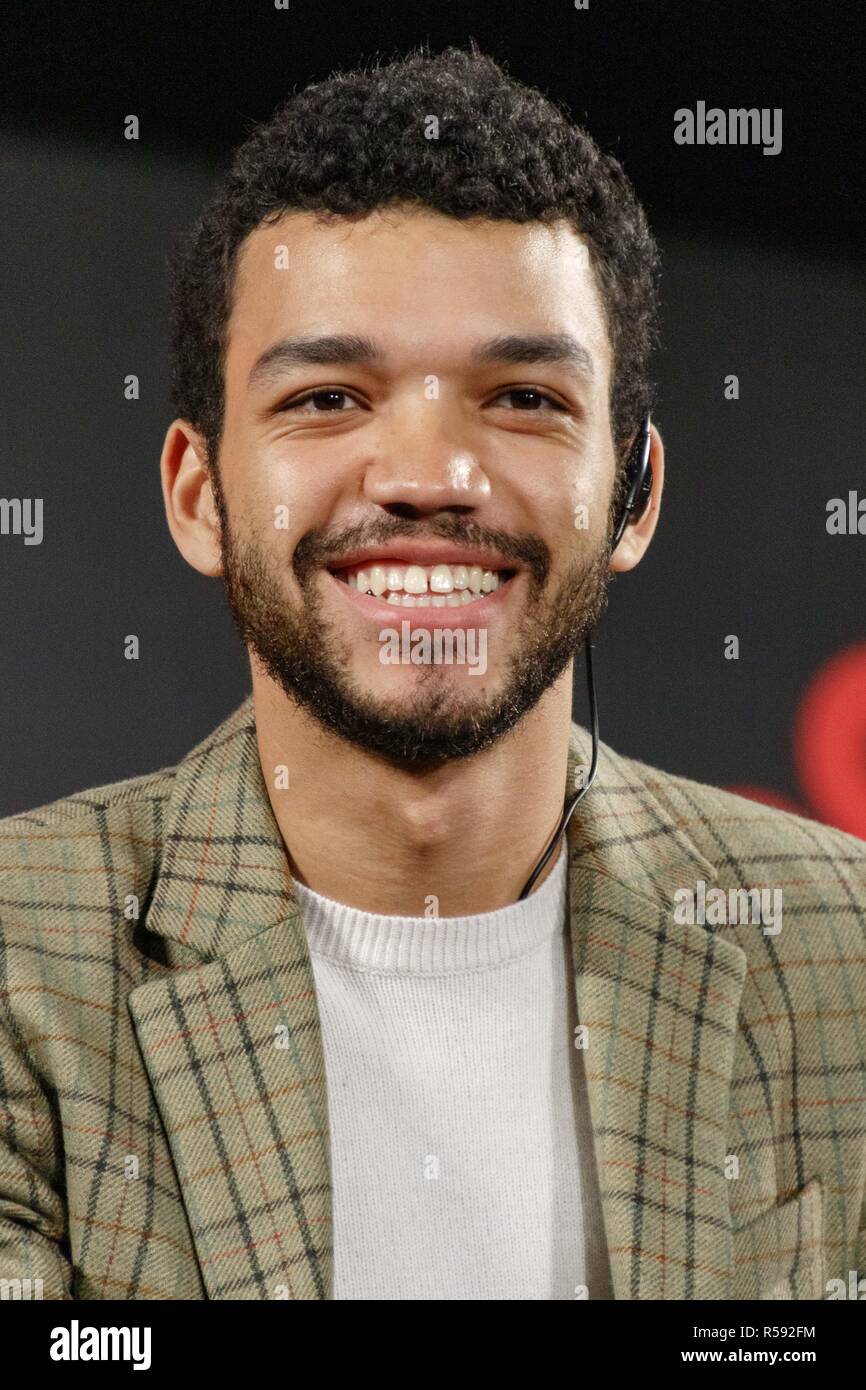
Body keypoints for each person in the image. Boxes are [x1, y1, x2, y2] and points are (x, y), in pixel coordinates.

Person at [1, 45, 864, 1303]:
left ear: (633, 493)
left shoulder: (844, 953)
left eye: (519, 398)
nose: (427, 475)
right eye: (327, 397)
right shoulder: (18, 958)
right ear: (197, 495)